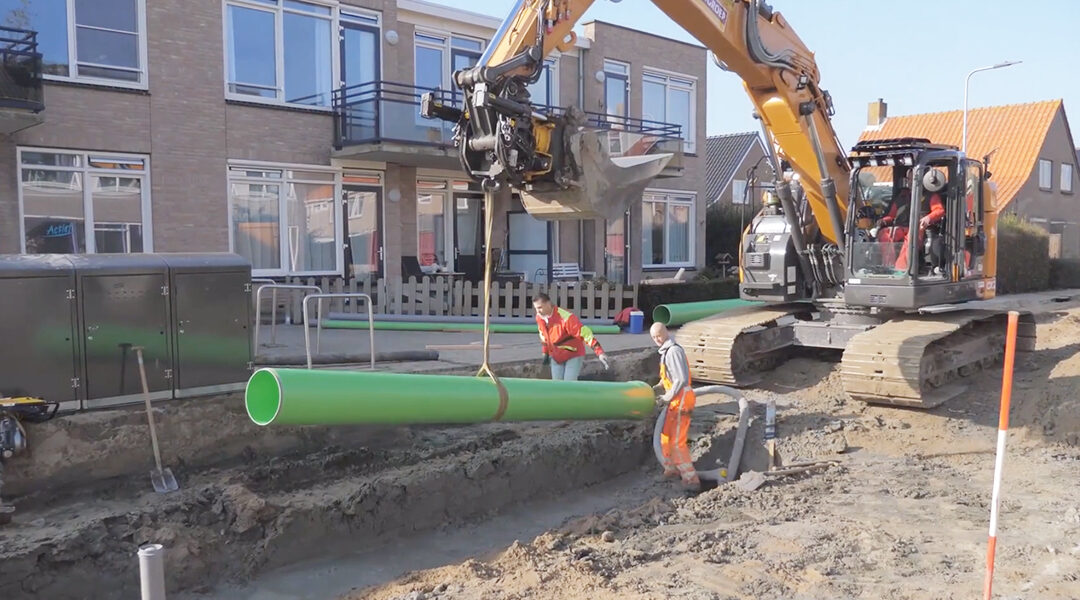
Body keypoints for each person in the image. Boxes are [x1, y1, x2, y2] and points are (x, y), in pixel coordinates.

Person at [650, 322, 700, 490]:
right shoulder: (665, 352)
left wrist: (667, 397)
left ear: (665, 333)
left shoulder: (673, 352)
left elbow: (680, 379)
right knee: (666, 436)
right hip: (675, 399)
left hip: (682, 399)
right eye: (653, 337)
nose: (656, 339)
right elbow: (669, 378)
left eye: (658, 335)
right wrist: (658, 388)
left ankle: (691, 479)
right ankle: (671, 468)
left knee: (677, 441)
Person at [533, 292, 610, 381]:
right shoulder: (539, 317)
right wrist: (545, 353)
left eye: (540, 307)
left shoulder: (565, 317)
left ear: (548, 304)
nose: (537, 311)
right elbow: (543, 335)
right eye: (536, 308)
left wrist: (599, 352)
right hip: (556, 354)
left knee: (569, 383)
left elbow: (585, 333)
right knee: (557, 384)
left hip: (573, 353)